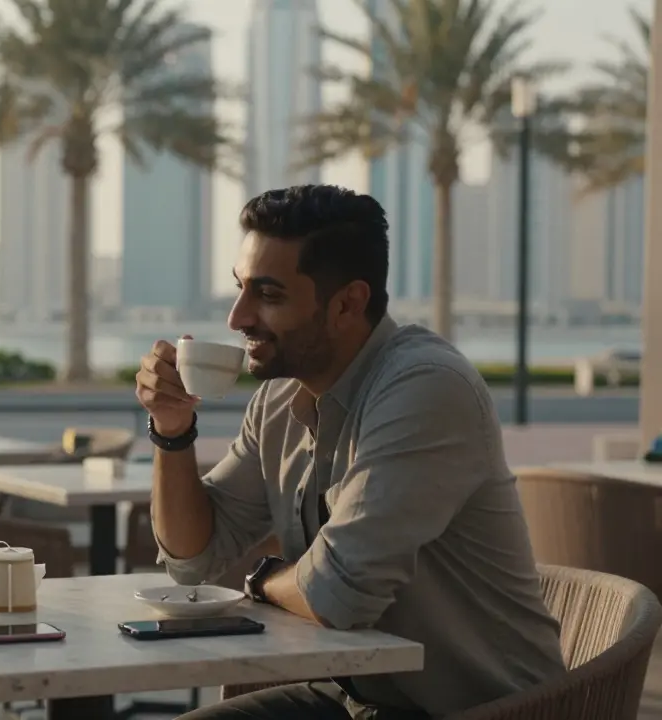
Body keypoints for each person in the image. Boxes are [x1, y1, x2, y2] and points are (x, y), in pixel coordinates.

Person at [135, 185, 565, 719]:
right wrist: (172, 429)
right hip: (360, 700)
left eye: (267, 295)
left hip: (484, 709)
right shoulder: (277, 400)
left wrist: (260, 579)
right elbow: (193, 558)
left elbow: (338, 596)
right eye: (240, 288)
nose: (237, 318)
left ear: (346, 304)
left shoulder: (426, 388)